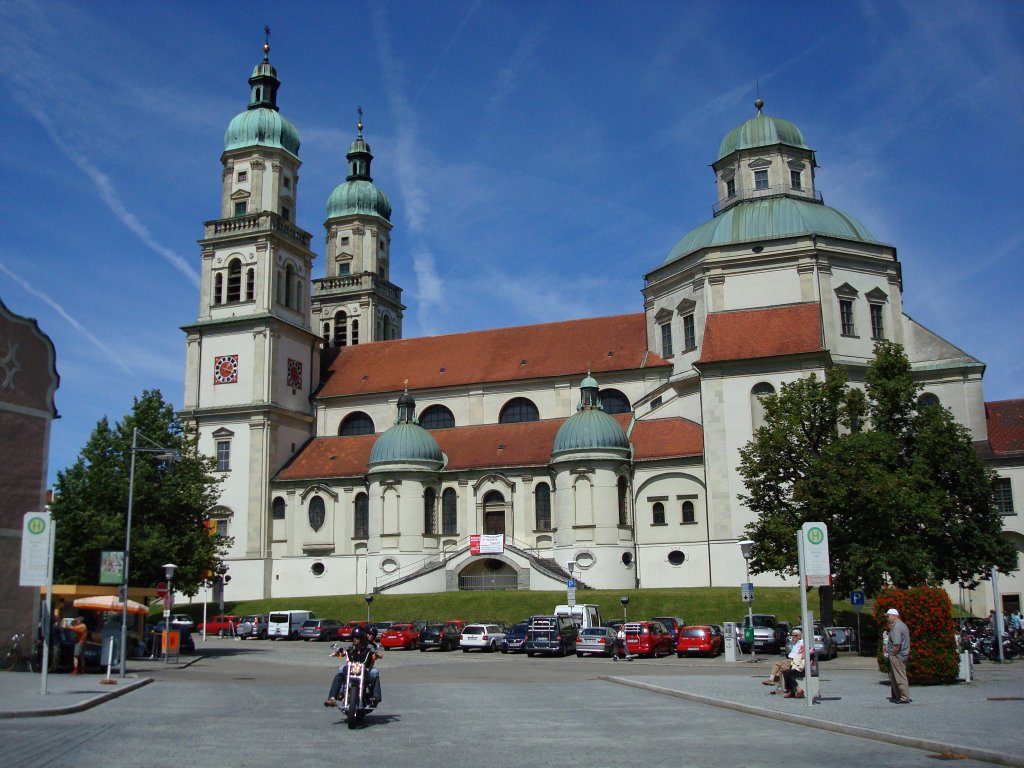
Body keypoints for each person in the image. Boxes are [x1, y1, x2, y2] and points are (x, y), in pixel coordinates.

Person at [324, 626, 382, 707]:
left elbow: (376, 653)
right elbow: (343, 651)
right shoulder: (351, 647)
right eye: (354, 637)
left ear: (361, 638)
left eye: (357, 638)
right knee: (340, 672)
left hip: (365, 669)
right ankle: (333, 697)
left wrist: (377, 654)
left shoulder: (369, 647)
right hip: (352, 669)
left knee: (375, 672)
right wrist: (338, 652)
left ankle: (376, 695)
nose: (355, 639)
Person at [763, 628, 803, 693]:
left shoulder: (802, 642)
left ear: (800, 635)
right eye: (792, 635)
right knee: (777, 666)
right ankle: (773, 682)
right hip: (789, 659)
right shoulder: (796, 642)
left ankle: (776, 685)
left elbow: (801, 653)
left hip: (793, 661)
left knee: (780, 670)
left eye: (795, 635)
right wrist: (794, 641)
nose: (793, 637)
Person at [885, 607, 911, 704]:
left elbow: (897, 644)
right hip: (901, 654)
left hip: (898, 655)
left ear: (894, 616)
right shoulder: (902, 625)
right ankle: (897, 696)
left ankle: (904, 697)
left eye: (888, 616)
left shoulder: (896, 627)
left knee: (900, 677)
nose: (887, 618)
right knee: (894, 677)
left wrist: (891, 654)